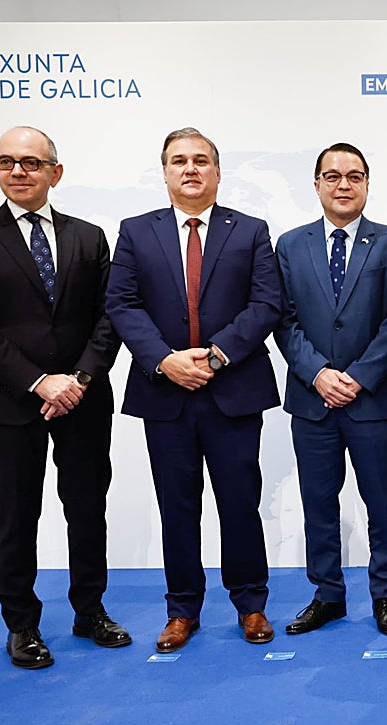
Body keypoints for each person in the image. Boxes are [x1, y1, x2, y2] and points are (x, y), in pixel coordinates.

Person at [0, 126, 129, 669]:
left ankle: (90, 609)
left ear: (56, 171)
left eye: (30, 162)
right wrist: (38, 381)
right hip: (7, 403)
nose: (17, 171)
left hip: (83, 398)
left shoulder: (88, 236)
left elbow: (109, 316)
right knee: (16, 516)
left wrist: (78, 380)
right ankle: (22, 625)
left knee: (87, 508)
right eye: (6, 162)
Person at [106, 127, 282, 652]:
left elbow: (266, 303)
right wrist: (164, 360)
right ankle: (182, 609)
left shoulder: (250, 230)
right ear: (164, 172)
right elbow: (121, 304)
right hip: (165, 393)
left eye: (201, 160)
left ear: (217, 172)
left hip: (233, 389)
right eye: (179, 161)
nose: (190, 169)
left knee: (240, 503)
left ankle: (251, 604)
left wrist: (216, 354)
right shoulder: (136, 232)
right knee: (177, 506)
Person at [274, 143, 387, 637]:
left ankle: (385, 596)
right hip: (313, 401)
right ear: (316, 185)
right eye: (332, 176)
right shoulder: (289, 244)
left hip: (372, 398)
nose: (343, 185)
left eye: (354, 176)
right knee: (319, 501)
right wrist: (319, 374)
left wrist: (357, 376)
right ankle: (327, 594)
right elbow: (282, 320)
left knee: (382, 502)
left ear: (368, 185)